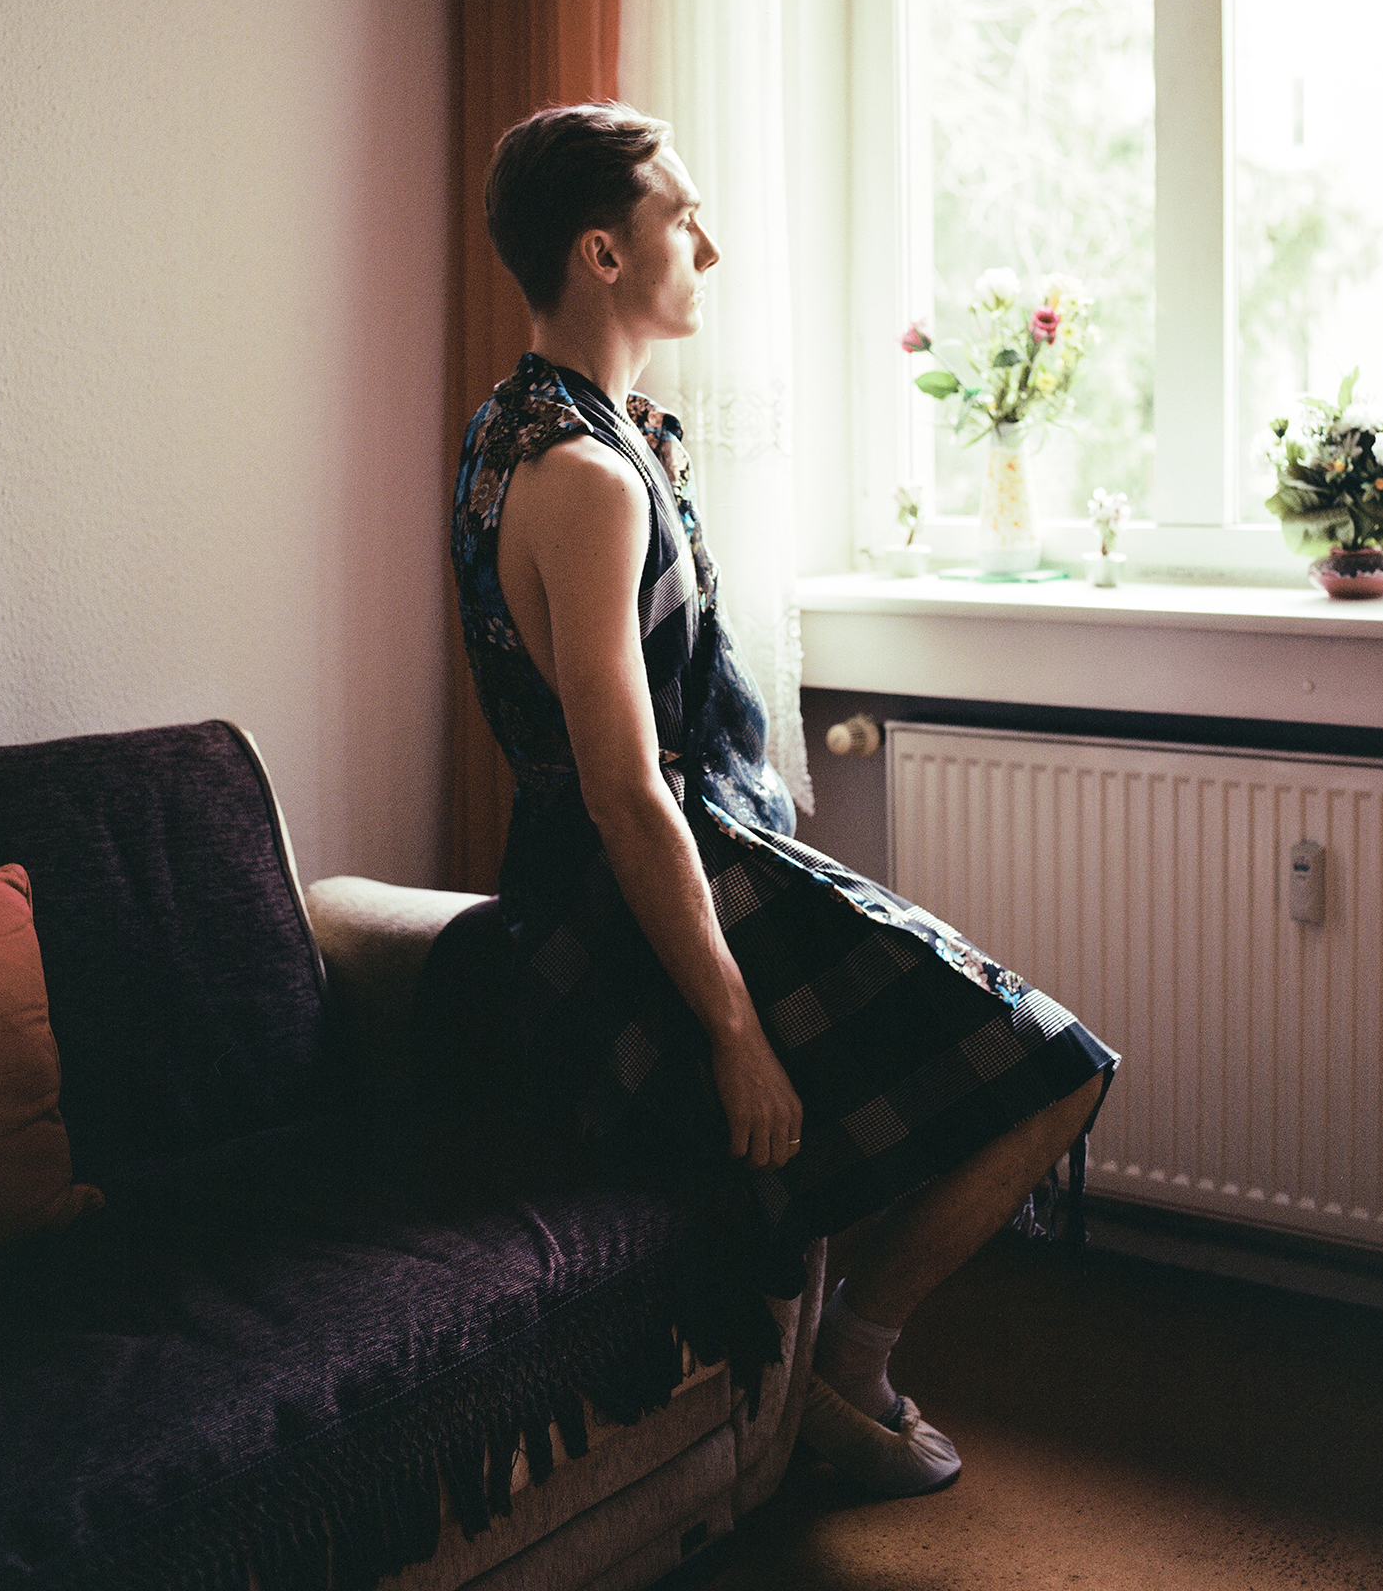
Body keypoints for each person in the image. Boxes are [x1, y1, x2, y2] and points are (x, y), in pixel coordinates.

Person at [451, 102, 1117, 1496]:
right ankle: (846, 1364)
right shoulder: (583, 478)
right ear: (603, 252)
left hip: (643, 868)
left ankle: (824, 1360)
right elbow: (623, 791)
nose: (710, 244)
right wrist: (735, 1028)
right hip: (630, 896)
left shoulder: (530, 430)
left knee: (993, 1060)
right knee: (1056, 1070)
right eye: (682, 216)